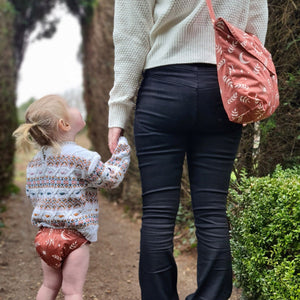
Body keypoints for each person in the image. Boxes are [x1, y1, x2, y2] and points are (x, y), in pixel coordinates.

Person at [107, 1, 268, 299]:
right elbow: (255, 23)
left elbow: (131, 36)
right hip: (221, 91)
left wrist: (118, 111)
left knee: (157, 213)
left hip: (162, 90)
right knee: (212, 212)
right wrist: (245, 84)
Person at [13, 95, 130, 300]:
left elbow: (33, 196)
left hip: (45, 236)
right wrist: (121, 152)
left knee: (49, 286)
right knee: (72, 291)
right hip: (73, 236)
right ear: (64, 124)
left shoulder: (34, 163)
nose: (73, 106)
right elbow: (110, 179)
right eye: (67, 106)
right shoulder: (82, 157)